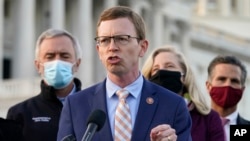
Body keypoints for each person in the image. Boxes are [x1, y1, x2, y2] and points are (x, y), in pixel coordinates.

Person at [57, 6, 192, 141]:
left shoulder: (173, 105)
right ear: (98, 50)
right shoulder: (75, 105)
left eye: (122, 39)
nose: (112, 47)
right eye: (104, 40)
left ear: (142, 47)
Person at [6, 28, 82, 141]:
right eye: (50, 56)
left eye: (65, 56)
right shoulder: (19, 114)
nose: (57, 62)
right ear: (38, 66)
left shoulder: (96, 109)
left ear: (77, 64)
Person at [142, 46, 225, 141]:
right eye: (155, 69)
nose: (161, 71)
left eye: (169, 66)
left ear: (184, 76)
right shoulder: (141, 115)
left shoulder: (209, 119)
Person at [206, 55, 250, 141]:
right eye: (222, 79)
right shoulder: (192, 123)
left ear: (242, 90)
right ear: (208, 86)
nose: (228, 85)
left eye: (234, 81)